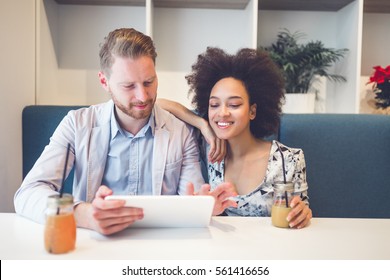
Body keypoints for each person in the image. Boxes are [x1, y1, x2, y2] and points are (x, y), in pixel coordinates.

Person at [14, 28, 236, 235]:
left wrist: (204, 205)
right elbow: (28, 193)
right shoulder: (77, 125)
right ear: (104, 81)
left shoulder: (180, 132)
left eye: (149, 82)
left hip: (159, 247)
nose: (143, 96)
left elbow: (193, 200)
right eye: (129, 86)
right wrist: (84, 215)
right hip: (94, 245)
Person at [157, 47, 312, 228]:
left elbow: (302, 212)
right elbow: (157, 104)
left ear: (252, 111)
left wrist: (303, 213)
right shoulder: (209, 147)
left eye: (234, 104)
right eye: (214, 104)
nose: (222, 113)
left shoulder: (289, 160)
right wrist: (202, 124)